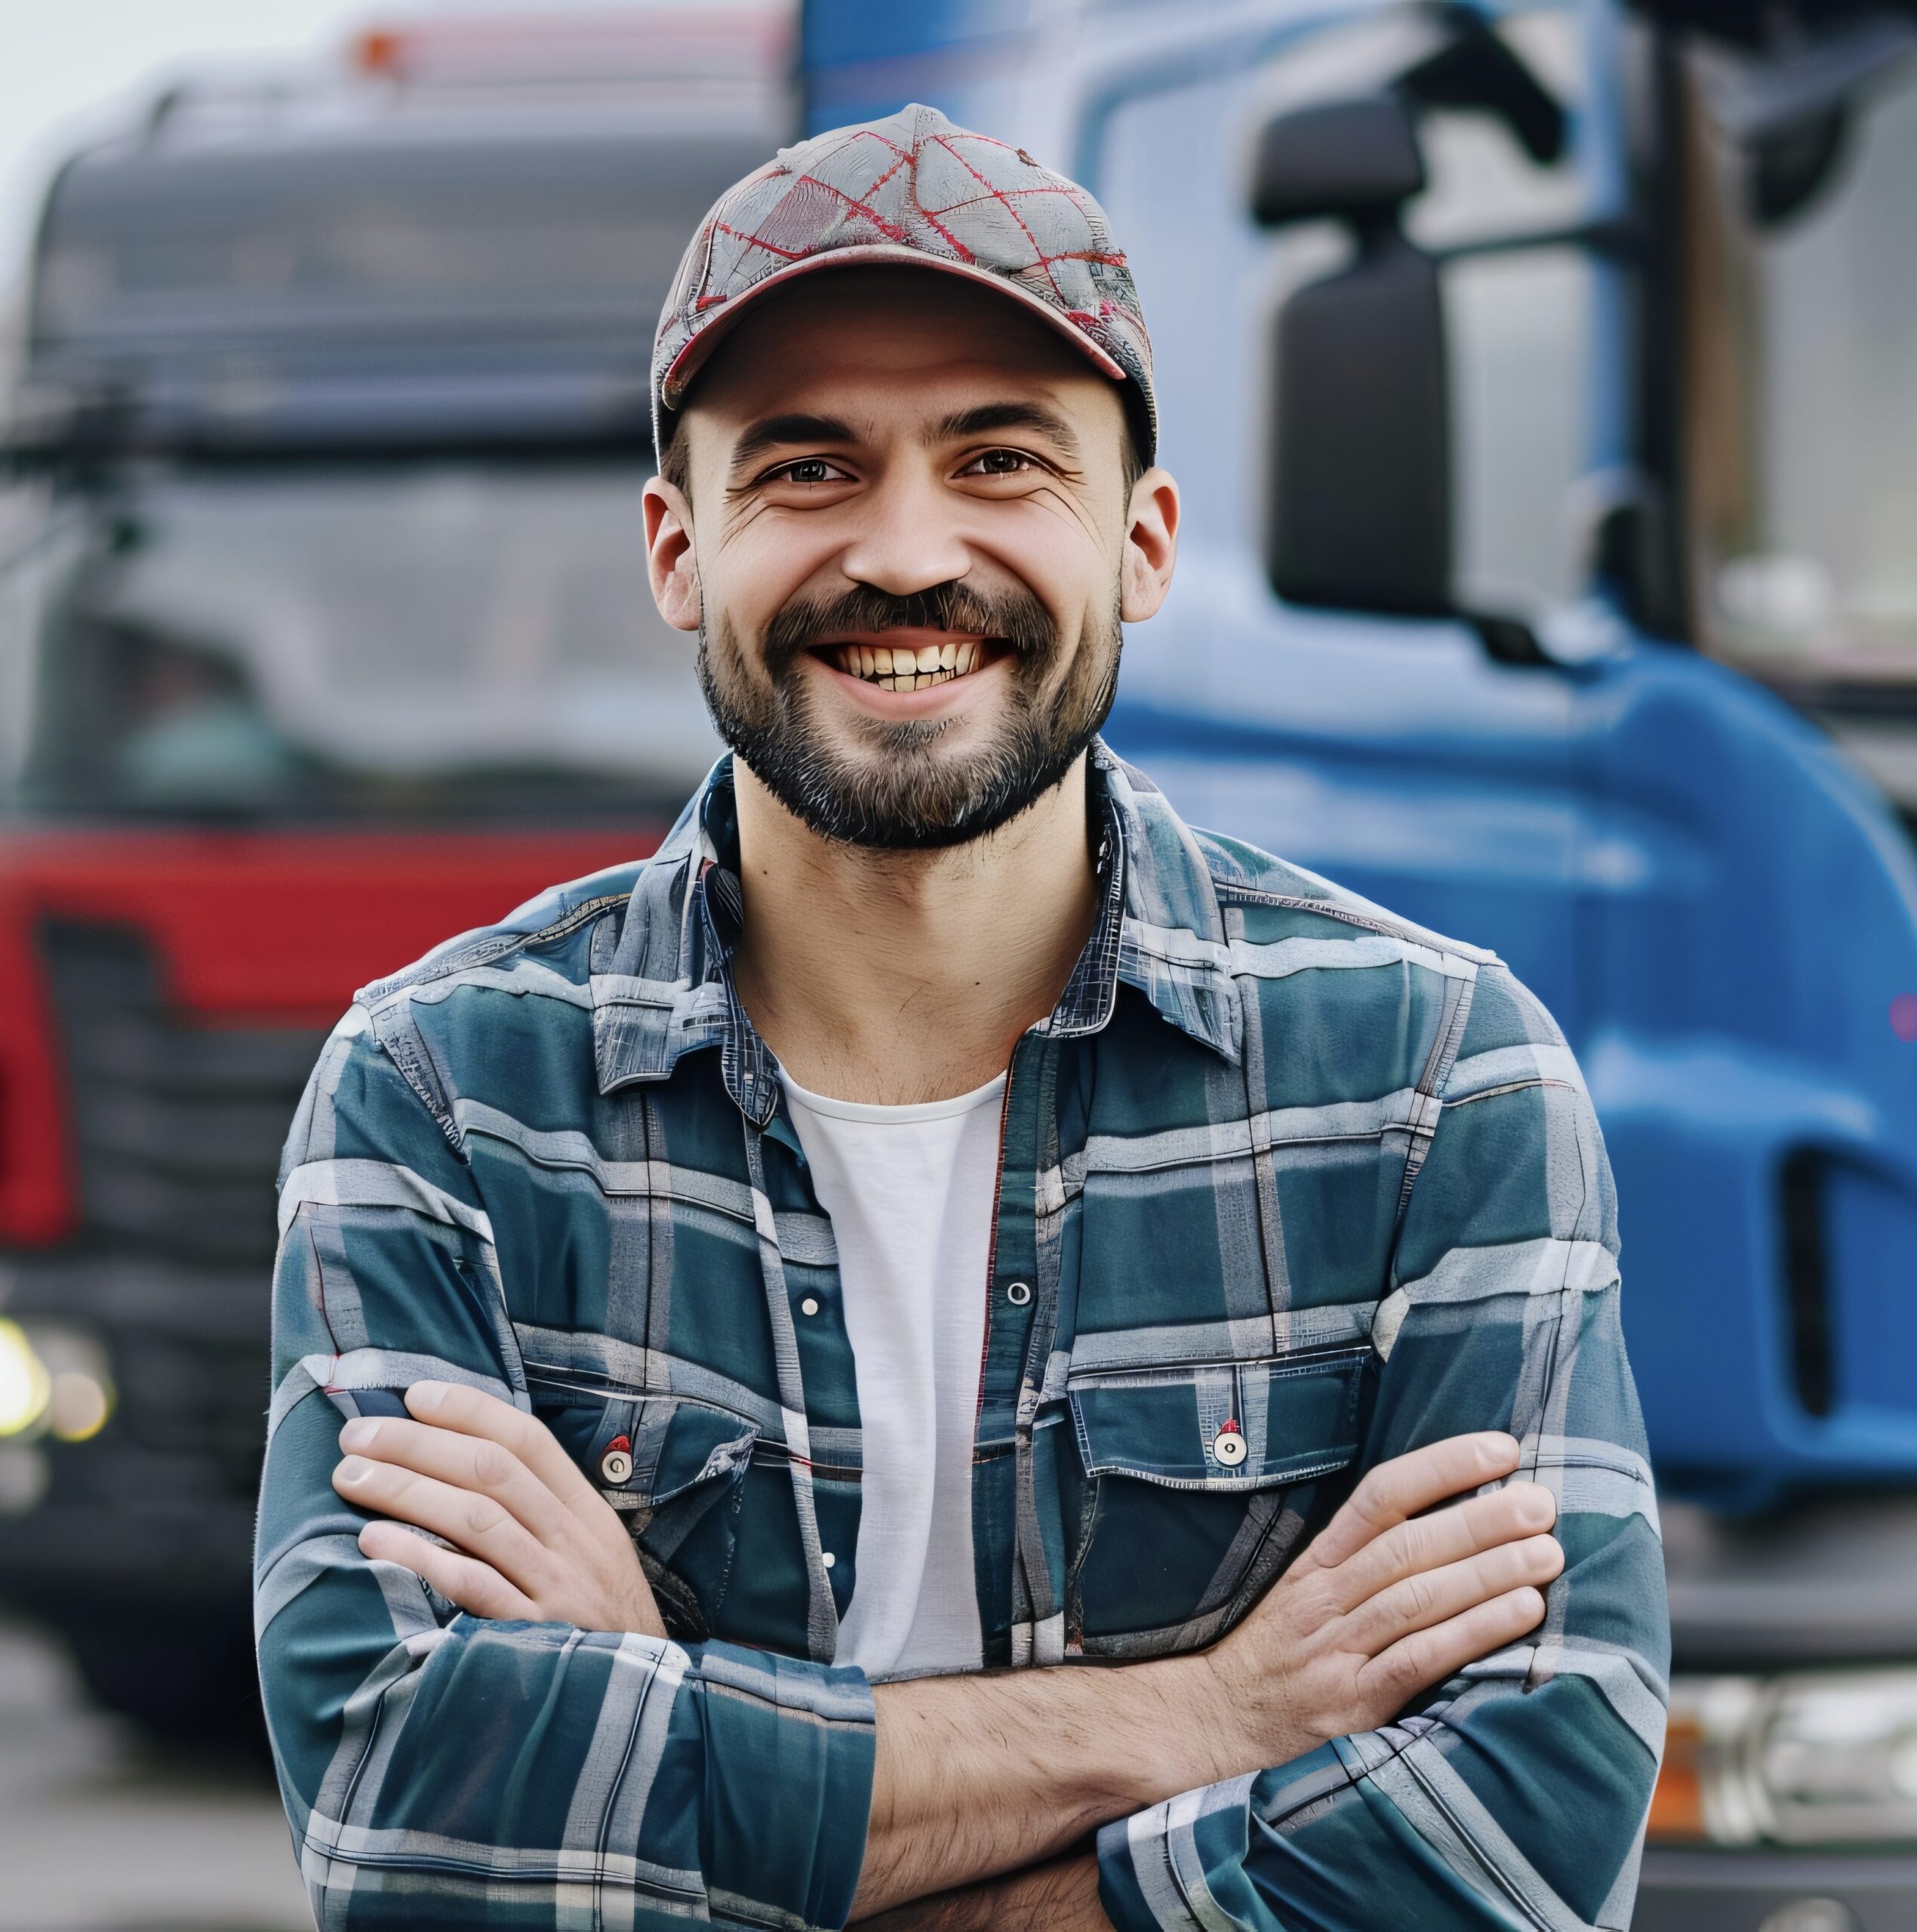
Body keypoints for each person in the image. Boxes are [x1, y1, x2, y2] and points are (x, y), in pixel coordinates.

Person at [256, 104, 1667, 1930]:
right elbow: (409, 1825)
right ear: (678, 550)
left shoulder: (1431, 1081)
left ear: (1142, 541)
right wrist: (1207, 1715)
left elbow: (1513, 1848)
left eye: (1000, 459)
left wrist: (674, 1736)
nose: (909, 551)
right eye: (808, 467)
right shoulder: (446, 1094)